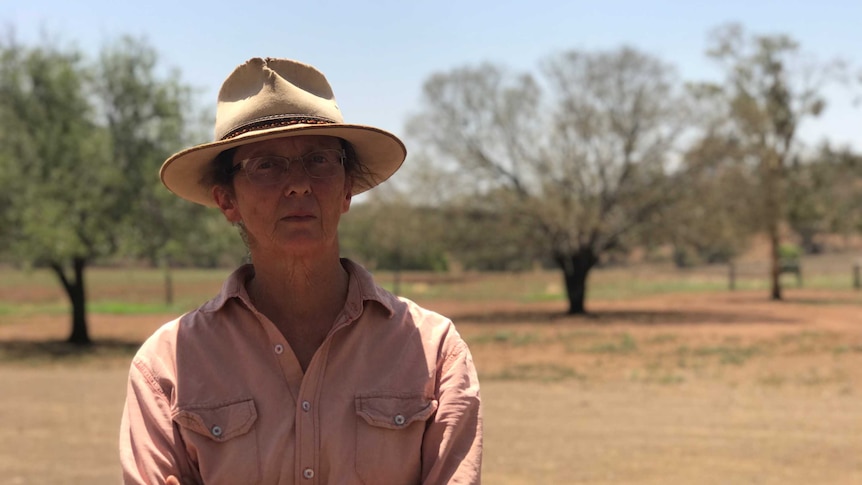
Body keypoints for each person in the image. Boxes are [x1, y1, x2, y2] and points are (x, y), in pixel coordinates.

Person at [119, 57, 482, 484]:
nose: (299, 184)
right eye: (266, 165)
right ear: (226, 201)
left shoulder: (433, 351)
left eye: (320, 160)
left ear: (347, 188)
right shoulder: (169, 366)